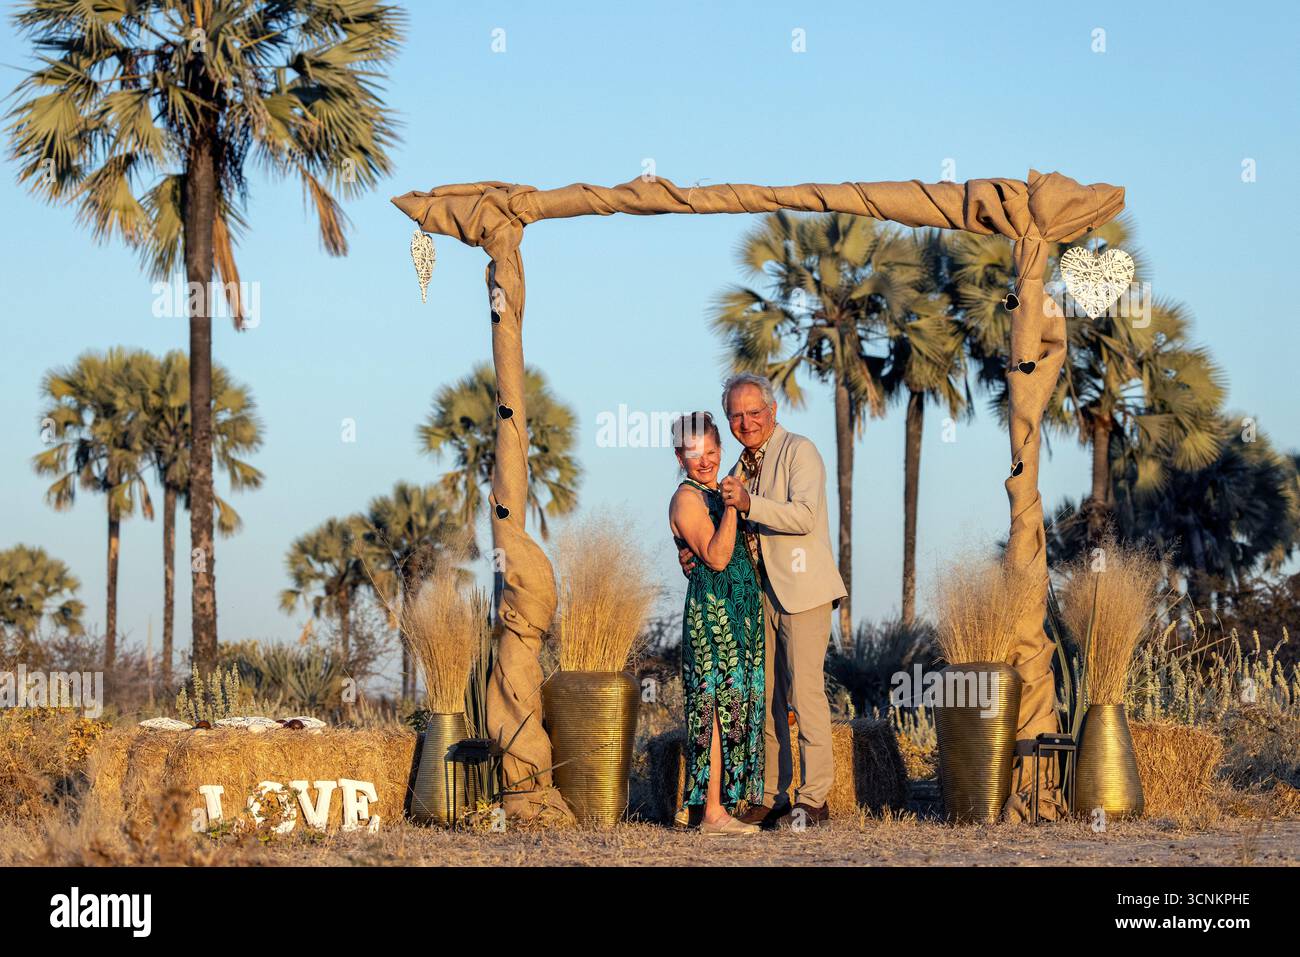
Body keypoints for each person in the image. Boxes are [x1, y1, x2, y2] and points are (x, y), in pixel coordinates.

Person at [680, 373, 846, 829]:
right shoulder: (736, 467)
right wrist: (688, 551)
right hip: (757, 597)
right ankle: (774, 793)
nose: (746, 421)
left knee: (803, 693)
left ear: (773, 411)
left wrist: (750, 503)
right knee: (765, 697)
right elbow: (720, 533)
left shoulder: (801, 452)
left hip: (803, 592)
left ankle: (813, 799)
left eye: (754, 412)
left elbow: (805, 516)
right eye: (737, 414)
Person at [668, 411, 765, 835]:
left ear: (719, 449)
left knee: (737, 704)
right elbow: (718, 556)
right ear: (679, 456)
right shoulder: (688, 498)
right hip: (714, 616)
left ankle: (721, 805)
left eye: (711, 451)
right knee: (713, 709)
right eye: (694, 454)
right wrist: (731, 507)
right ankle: (711, 813)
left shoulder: (718, 488)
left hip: (742, 612)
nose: (704, 460)